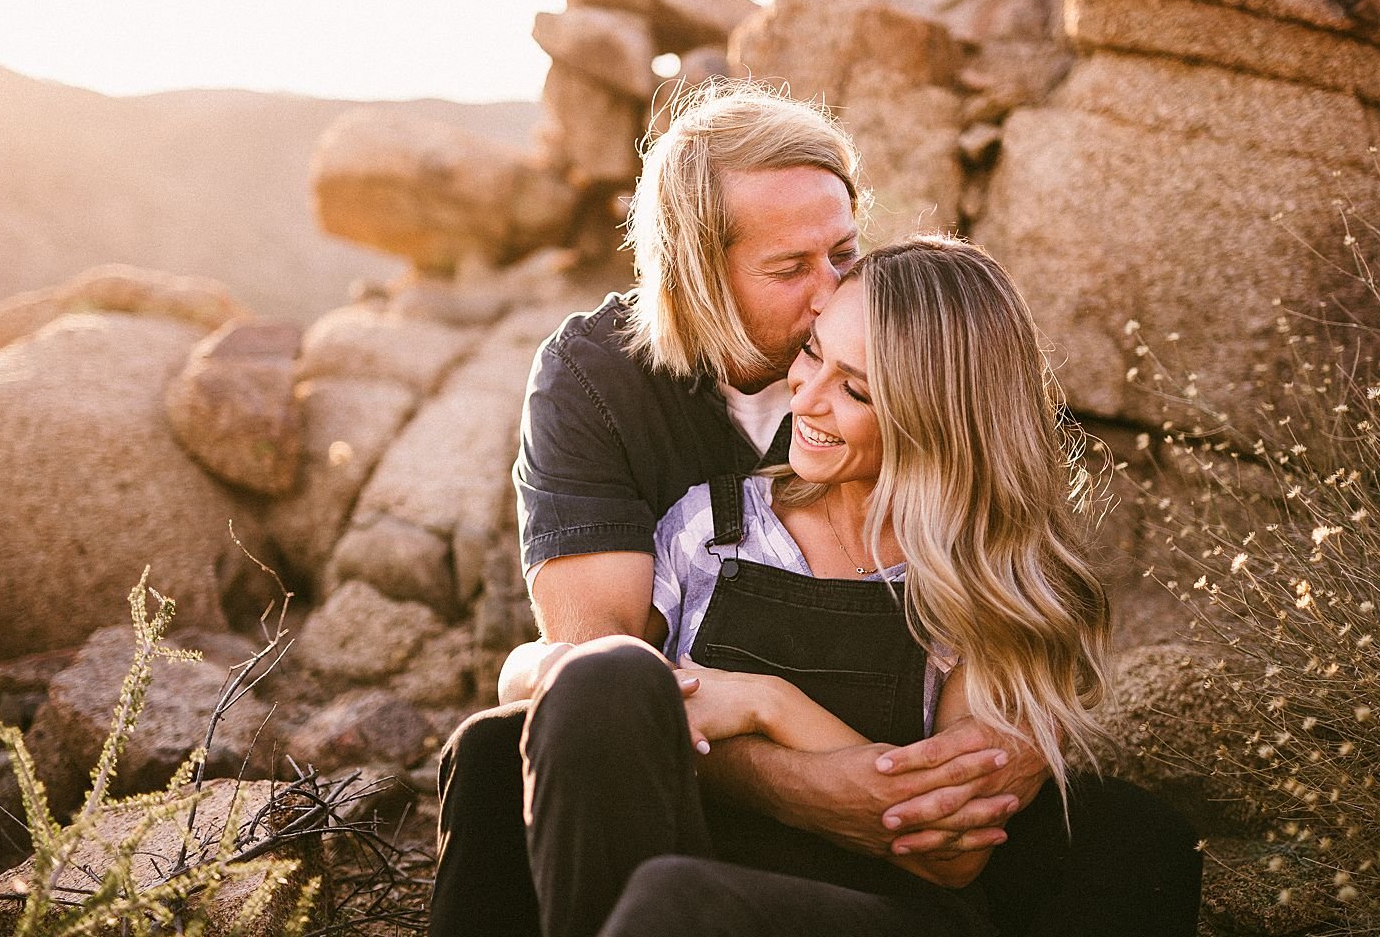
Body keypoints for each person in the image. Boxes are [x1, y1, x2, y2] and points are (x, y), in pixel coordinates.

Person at [428, 82, 1199, 937]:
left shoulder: (918, 358)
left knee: (1128, 838)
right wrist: (805, 787)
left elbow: (954, 812)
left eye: (843, 251)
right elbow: (598, 680)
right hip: (690, 811)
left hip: (893, 877)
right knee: (509, 755)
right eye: (790, 270)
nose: (832, 290)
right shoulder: (611, 400)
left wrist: (1011, 733)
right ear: (696, 279)